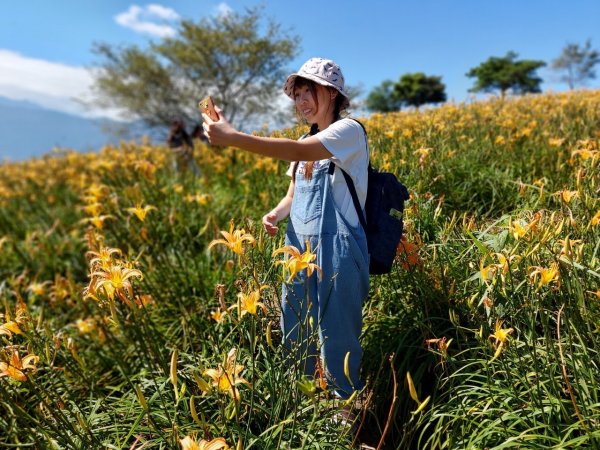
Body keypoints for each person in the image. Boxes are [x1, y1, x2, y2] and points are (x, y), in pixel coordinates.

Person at [202, 57, 369, 400]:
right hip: (297, 248)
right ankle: (303, 401)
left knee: (337, 335)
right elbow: (293, 194)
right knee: (293, 328)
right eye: (297, 94)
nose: (302, 101)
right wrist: (276, 214)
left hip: (338, 250)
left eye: (310, 91)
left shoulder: (348, 131)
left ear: (333, 93)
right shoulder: (305, 140)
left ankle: (345, 412)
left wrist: (234, 138)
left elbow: (297, 150)